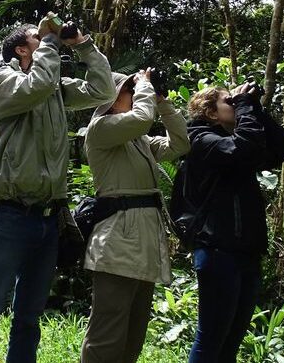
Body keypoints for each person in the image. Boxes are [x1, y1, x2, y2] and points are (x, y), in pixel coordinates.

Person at [0, 15, 115, 363]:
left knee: (29, 317)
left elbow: (103, 90)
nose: (48, 40)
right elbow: (33, 87)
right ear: (23, 49)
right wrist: (51, 43)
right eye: (38, 38)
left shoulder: (52, 85)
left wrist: (83, 45)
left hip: (50, 218)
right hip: (11, 215)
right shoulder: (1, 79)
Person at [178, 82, 284, 363]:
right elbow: (243, 149)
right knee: (211, 338)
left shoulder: (238, 141)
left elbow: (282, 148)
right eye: (229, 102)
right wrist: (244, 105)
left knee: (230, 342)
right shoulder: (201, 140)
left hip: (245, 250)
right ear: (211, 113)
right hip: (218, 250)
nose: (237, 104)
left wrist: (254, 108)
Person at [80, 69, 190, 363]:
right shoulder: (101, 129)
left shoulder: (138, 142)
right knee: (107, 336)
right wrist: (144, 85)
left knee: (133, 336)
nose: (136, 93)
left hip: (143, 244)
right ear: (111, 98)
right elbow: (142, 118)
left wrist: (162, 101)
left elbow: (181, 143)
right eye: (129, 89)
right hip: (117, 242)